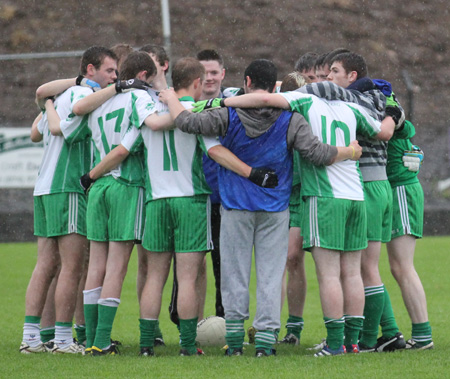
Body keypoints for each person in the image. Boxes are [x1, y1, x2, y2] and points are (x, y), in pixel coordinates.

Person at [160, 59, 363, 357]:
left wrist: (170, 99)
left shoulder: (227, 114)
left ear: (247, 81)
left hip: (235, 206)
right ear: (274, 86)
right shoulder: (291, 118)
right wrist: (349, 151)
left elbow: (187, 122)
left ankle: (233, 341)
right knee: (270, 275)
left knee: (234, 275)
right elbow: (317, 153)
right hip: (276, 208)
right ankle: (266, 342)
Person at [134, 57, 278, 357]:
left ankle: (147, 344)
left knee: (155, 276)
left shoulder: (146, 108)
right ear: (198, 83)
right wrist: (251, 172)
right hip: (190, 200)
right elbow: (217, 152)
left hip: (156, 199)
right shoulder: (198, 112)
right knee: (188, 276)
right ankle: (188, 345)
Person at [300, 51, 406, 352]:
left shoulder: (349, 102)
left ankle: (368, 338)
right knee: (363, 269)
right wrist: (394, 110)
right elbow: (396, 124)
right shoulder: (382, 96)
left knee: (363, 269)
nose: (328, 79)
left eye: (333, 72)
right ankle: (383, 334)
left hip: (364, 186)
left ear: (352, 77)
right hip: (380, 185)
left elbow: (383, 132)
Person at [20, 46, 117, 354]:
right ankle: (62, 340)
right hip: (68, 187)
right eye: (110, 71)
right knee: (72, 267)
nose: (114, 77)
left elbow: (35, 132)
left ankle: (31, 337)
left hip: (44, 188)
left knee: (46, 264)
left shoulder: (63, 96)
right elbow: (62, 131)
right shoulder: (80, 99)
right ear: (91, 70)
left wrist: (47, 105)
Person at [63, 51, 158, 355]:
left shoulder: (100, 102)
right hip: (124, 185)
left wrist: (91, 175)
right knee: (116, 268)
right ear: (143, 76)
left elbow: (71, 124)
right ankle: (102, 340)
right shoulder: (138, 100)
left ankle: (91, 339)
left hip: (98, 188)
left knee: (97, 266)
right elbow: (128, 146)